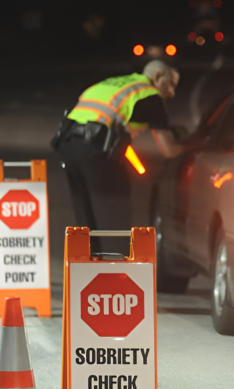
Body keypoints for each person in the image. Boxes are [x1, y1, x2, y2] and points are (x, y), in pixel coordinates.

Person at [52, 60, 185, 251]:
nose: (172, 93)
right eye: (171, 84)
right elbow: (169, 149)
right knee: (115, 203)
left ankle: (89, 259)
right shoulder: (149, 95)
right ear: (157, 77)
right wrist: (192, 146)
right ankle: (116, 260)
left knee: (85, 207)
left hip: (67, 143)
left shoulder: (115, 83)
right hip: (94, 146)